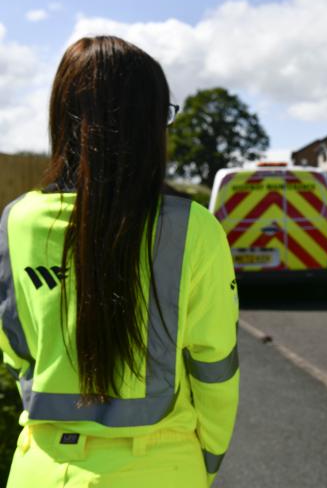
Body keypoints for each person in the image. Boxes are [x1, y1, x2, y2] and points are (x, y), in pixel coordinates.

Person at [0, 36, 239, 487]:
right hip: (160, 466)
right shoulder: (192, 228)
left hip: (39, 467)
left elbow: (14, 350)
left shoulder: (16, 221)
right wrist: (206, 461)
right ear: (147, 124)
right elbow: (214, 368)